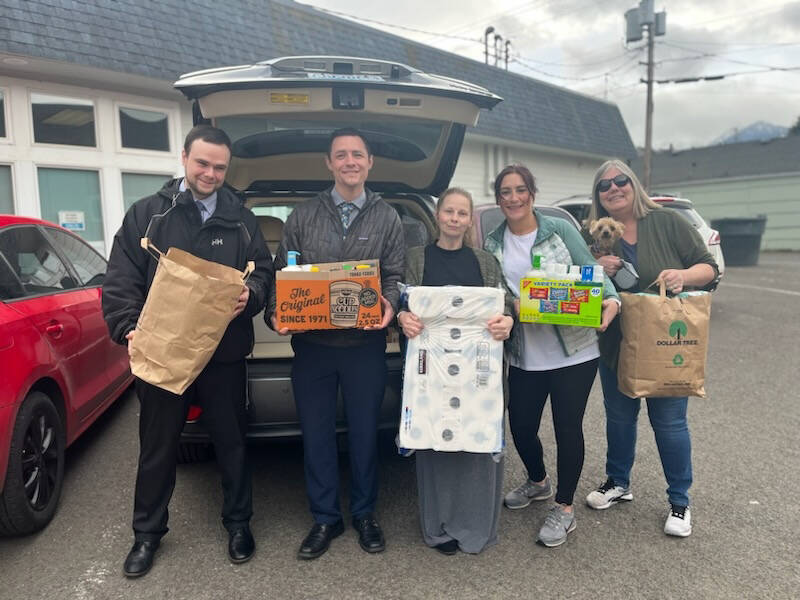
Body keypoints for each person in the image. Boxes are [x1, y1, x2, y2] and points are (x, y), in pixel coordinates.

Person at [102, 125, 272, 577]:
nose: (211, 173)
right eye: (203, 163)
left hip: (224, 354)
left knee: (232, 444)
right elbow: (121, 278)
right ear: (183, 157)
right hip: (163, 353)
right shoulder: (149, 215)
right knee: (157, 447)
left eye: (219, 166)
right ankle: (147, 535)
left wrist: (251, 295)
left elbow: (263, 271)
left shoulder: (241, 217)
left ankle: (238, 524)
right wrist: (127, 327)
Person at [267, 127, 404, 560]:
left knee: (365, 435)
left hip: (365, 347)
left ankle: (365, 514)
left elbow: (396, 277)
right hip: (313, 348)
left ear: (369, 163)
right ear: (329, 163)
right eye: (341, 155)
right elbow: (281, 278)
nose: (349, 162)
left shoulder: (389, 218)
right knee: (317, 435)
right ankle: (325, 518)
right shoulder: (302, 216)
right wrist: (276, 313)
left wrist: (391, 304)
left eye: (357, 155)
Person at [483, 164, 620, 547]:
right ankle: (539, 482)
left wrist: (610, 299)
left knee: (566, 427)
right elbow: (500, 296)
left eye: (520, 189)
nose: (513, 198)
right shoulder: (493, 243)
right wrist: (512, 309)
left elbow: (589, 270)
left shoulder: (558, 230)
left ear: (532, 193)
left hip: (574, 351)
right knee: (521, 426)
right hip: (525, 353)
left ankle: (564, 509)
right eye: (505, 191)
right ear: (499, 198)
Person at [583, 159, 718, 537]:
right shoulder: (588, 233)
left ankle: (679, 501)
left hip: (664, 343)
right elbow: (570, 278)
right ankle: (618, 482)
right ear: (599, 195)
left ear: (634, 185)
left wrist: (683, 275)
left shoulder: (668, 222)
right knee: (619, 418)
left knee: (670, 423)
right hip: (615, 341)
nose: (614, 188)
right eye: (604, 185)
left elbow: (710, 268)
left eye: (621, 180)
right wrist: (595, 265)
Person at [398, 187, 514, 555]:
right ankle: (439, 526)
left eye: (462, 213)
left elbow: (505, 303)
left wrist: (508, 321)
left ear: (469, 220)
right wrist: (401, 317)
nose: (454, 219)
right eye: (449, 211)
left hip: (477, 375)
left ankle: (476, 524)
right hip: (431, 373)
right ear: (438, 216)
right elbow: (400, 301)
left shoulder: (485, 261)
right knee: (435, 444)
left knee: (476, 444)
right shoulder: (416, 258)